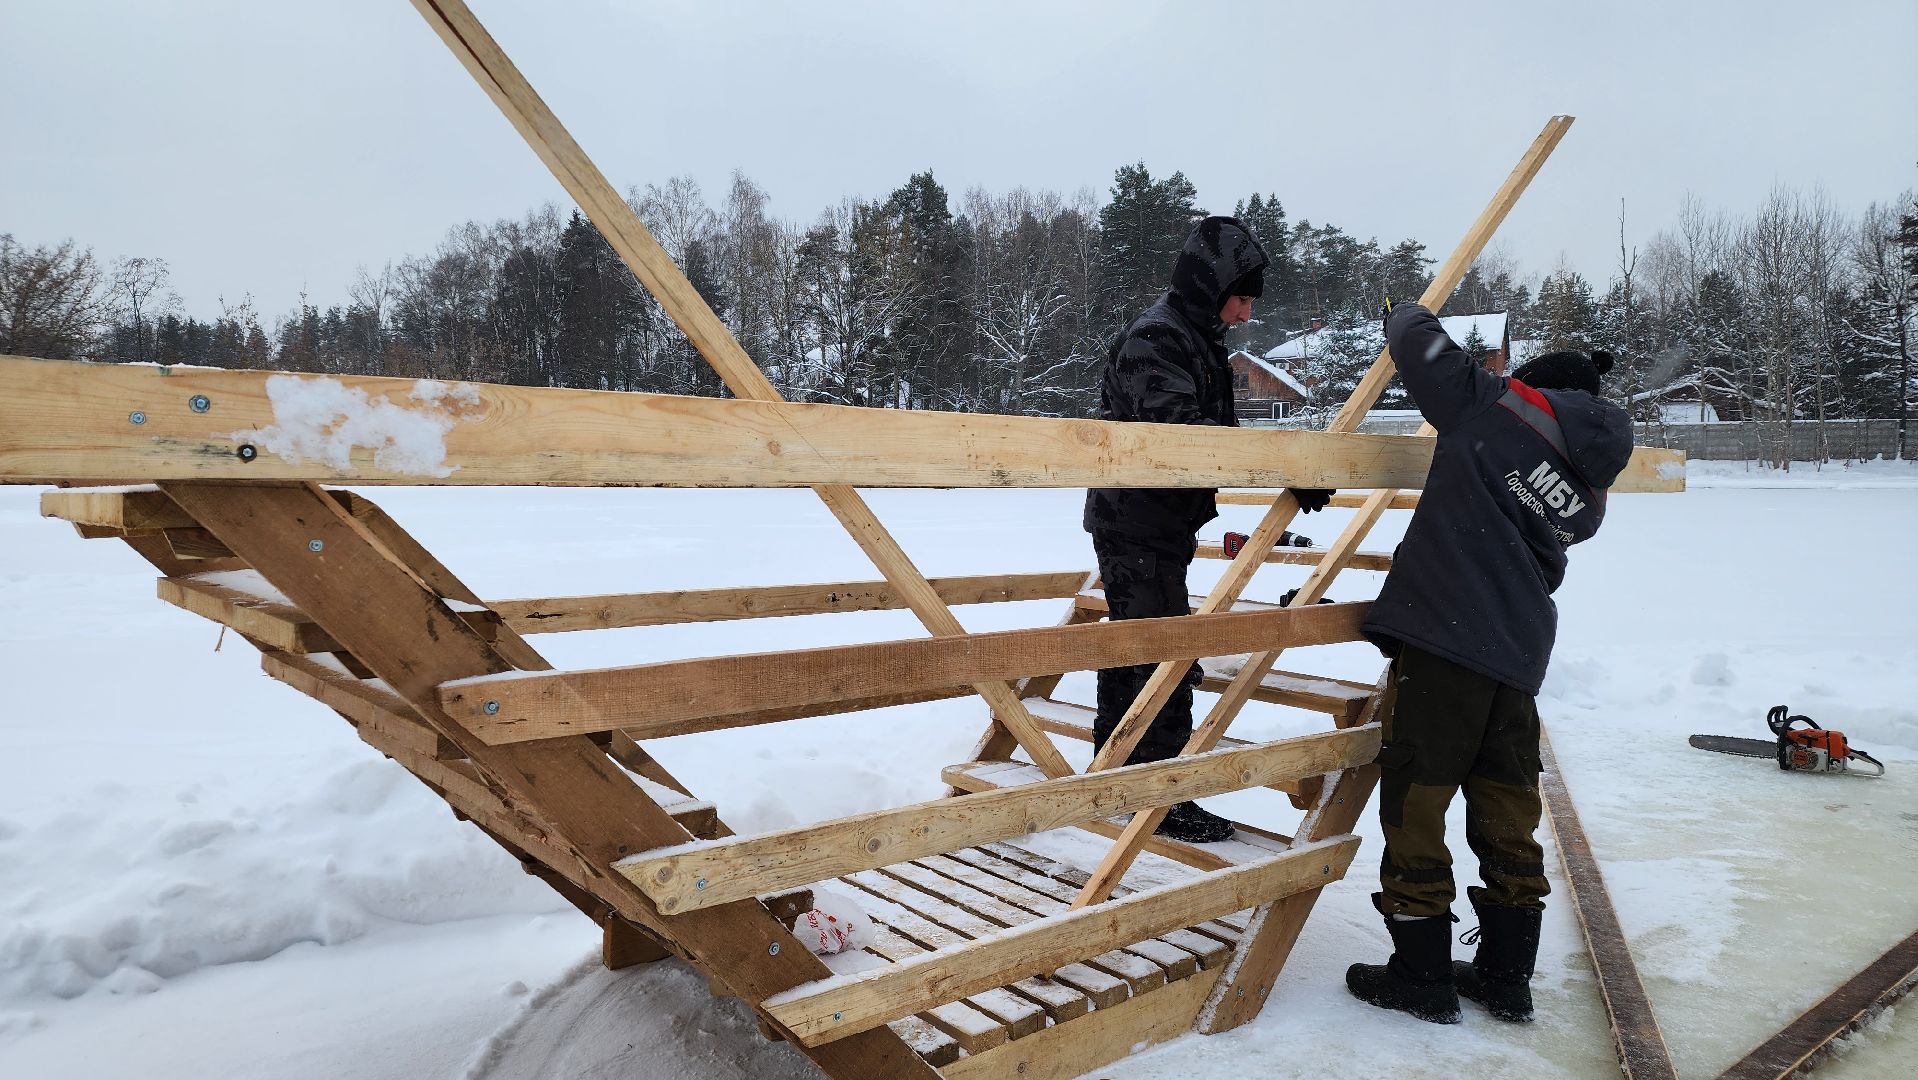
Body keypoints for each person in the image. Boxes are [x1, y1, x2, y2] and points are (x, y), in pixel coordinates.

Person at [1345, 301, 1632, 1024]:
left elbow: (1417, 343)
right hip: (1517, 653)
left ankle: (1421, 975)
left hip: (1447, 643)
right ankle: (1506, 976)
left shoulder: (1493, 410)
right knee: (1507, 810)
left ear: (1536, 389)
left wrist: (1403, 308)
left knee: (1416, 801)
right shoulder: (1587, 484)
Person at [1083, 215, 1332, 844]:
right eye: (1243, 297)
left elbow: (1214, 437)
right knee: (1165, 654)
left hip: (1156, 523)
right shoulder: (1158, 341)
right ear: (1211, 284)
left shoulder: (1192, 337)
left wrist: (1288, 470)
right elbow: (1188, 441)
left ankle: (1116, 776)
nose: (1247, 314)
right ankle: (1156, 796)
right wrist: (1285, 466)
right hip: (1135, 524)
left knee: (1137, 646)